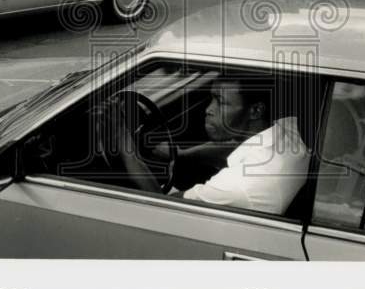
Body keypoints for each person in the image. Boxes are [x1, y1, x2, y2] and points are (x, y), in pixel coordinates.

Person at [107, 75, 311, 216]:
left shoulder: (237, 186)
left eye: (221, 102)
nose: (208, 110)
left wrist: (124, 142)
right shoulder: (288, 130)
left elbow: (162, 206)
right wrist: (182, 154)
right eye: (211, 99)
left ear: (255, 110)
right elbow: (232, 149)